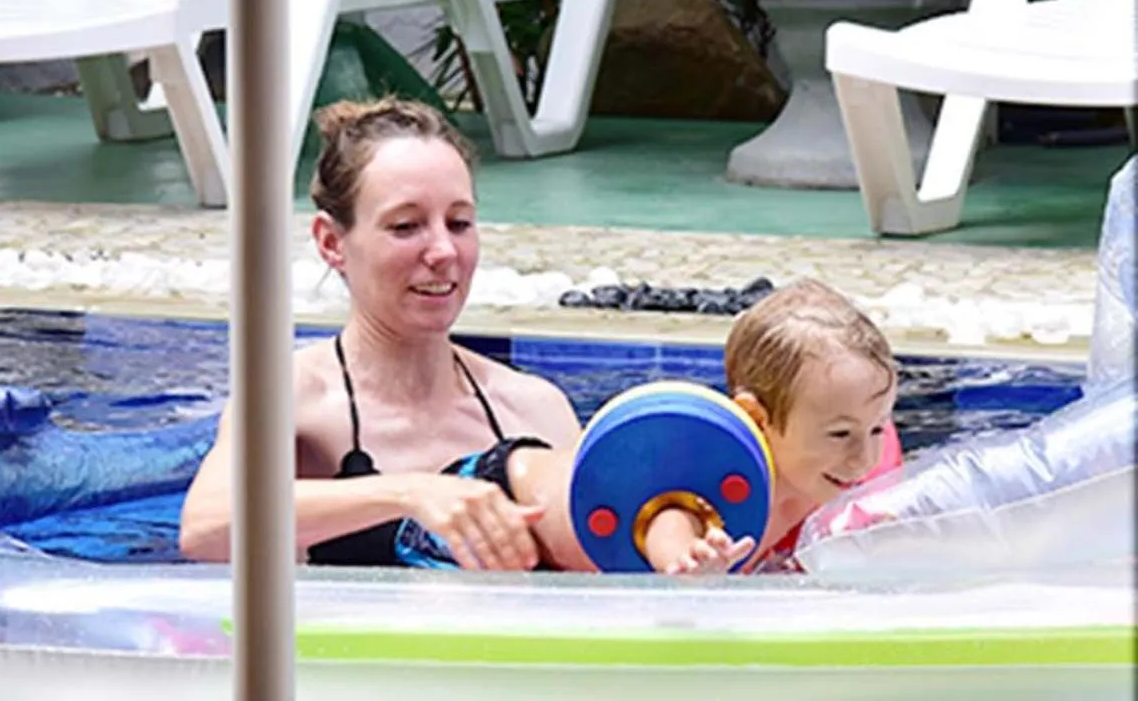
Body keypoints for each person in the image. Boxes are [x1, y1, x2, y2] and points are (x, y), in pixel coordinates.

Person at [177, 97, 589, 572]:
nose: (442, 251)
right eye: (406, 226)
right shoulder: (294, 397)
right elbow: (206, 526)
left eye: (459, 223)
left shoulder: (534, 407)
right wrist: (409, 493)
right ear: (332, 243)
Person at [641, 280, 904, 575]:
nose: (864, 458)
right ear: (756, 419)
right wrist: (687, 559)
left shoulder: (857, 452)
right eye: (839, 434)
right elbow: (667, 518)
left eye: (877, 429)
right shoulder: (727, 475)